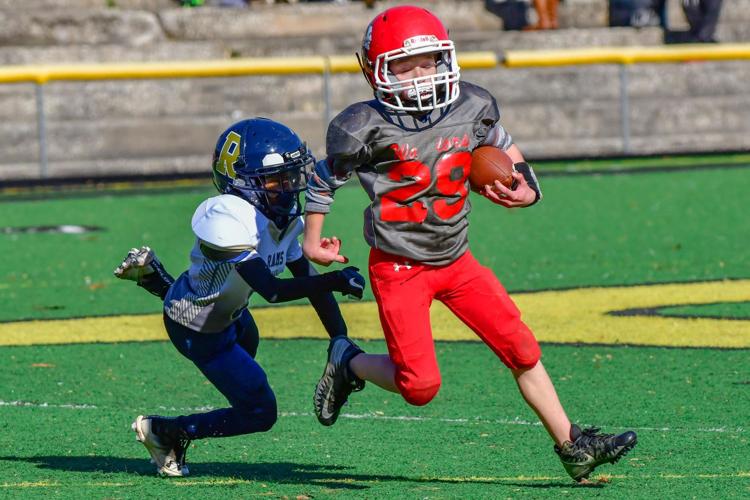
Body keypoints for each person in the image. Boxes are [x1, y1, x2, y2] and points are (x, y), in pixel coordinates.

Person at [303, 5, 637, 483]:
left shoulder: (471, 105)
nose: (419, 76)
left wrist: (527, 186)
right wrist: (314, 243)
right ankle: (349, 362)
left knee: (521, 347)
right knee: (419, 387)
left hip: (456, 259)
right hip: (400, 268)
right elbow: (321, 180)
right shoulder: (361, 125)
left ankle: (572, 444)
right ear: (375, 68)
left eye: (427, 62)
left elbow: (505, 147)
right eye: (403, 65)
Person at [114, 117, 365, 477]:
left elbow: (306, 278)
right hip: (197, 329)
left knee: (247, 351)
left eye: (293, 176)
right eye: (278, 179)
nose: (291, 186)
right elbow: (273, 290)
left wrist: (340, 339)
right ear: (244, 182)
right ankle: (167, 432)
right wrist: (336, 280)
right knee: (260, 412)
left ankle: (159, 280)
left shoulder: (278, 218)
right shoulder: (229, 215)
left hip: (232, 316)